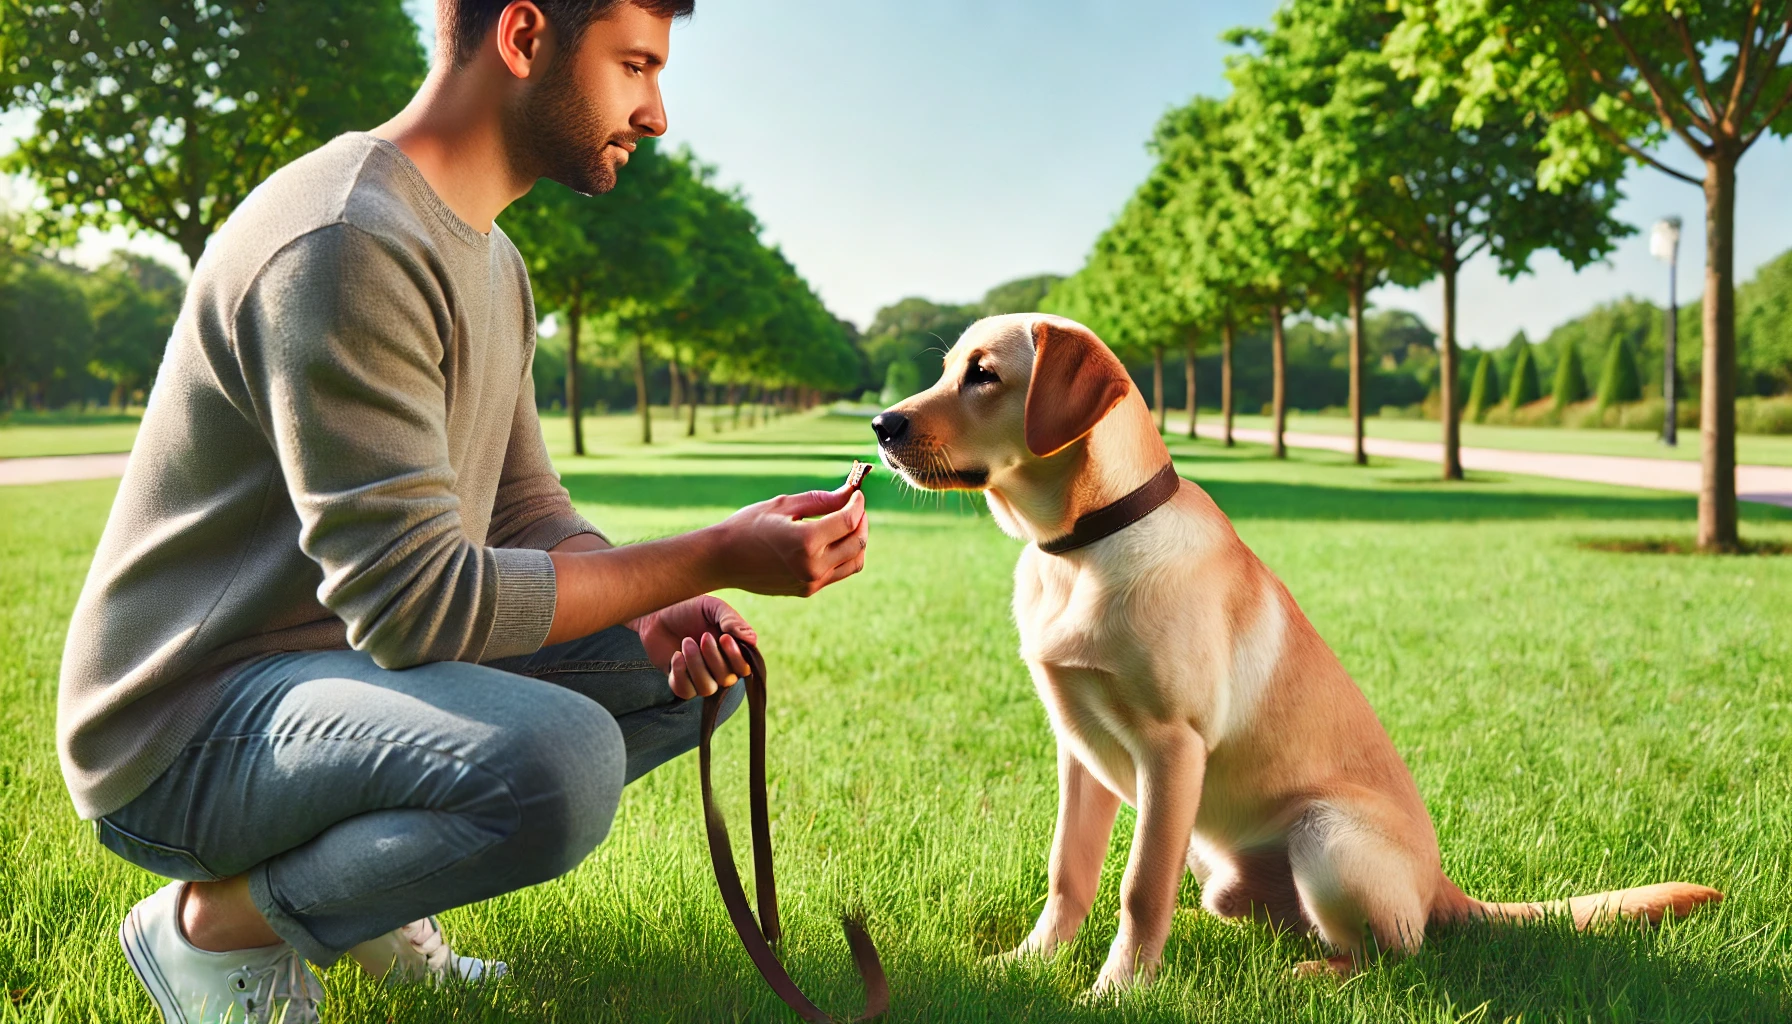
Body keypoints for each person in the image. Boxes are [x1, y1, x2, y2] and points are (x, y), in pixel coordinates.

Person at [55, 1, 870, 1020]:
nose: (655, 112)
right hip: (184, 729)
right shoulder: (348, 237)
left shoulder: (493, 258)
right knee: (559, 764)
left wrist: (664, 602)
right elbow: (416, 609)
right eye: (633, 65)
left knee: (688, 672)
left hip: (334, 675)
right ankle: (212, 929)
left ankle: (359, 911)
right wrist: (707, 550)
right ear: (525, 38)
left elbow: (527, 507)